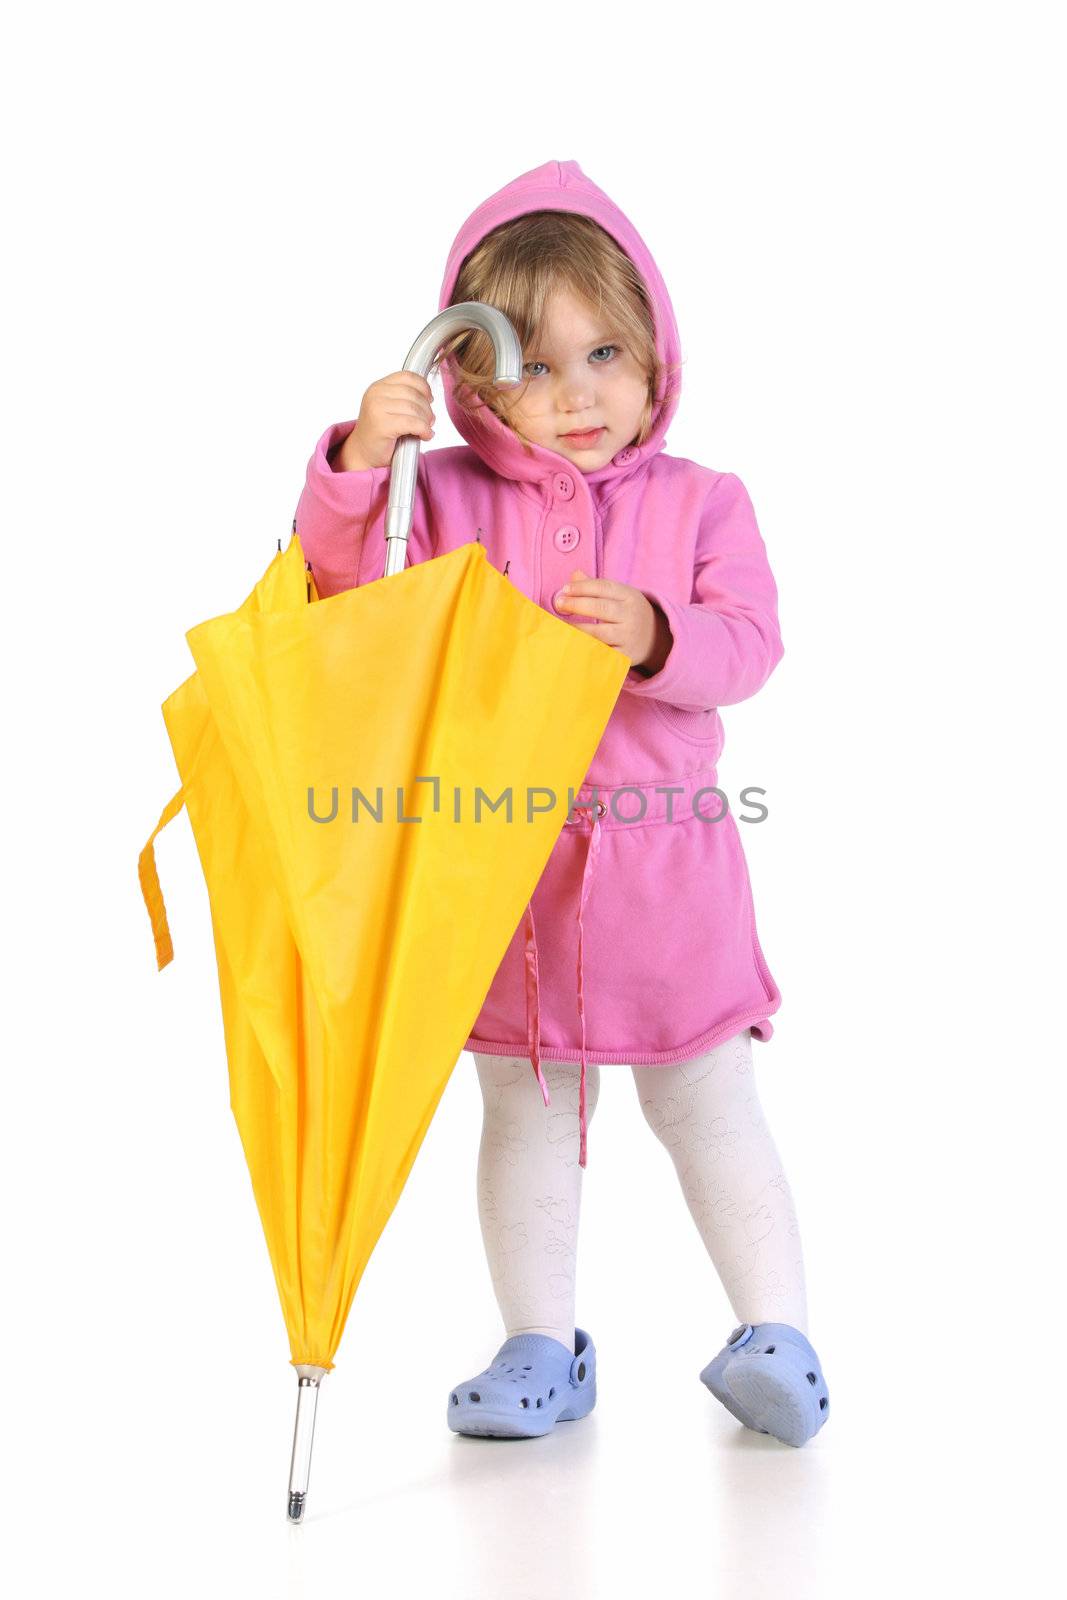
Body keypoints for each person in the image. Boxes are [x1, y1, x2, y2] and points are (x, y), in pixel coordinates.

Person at [294, 160, 830, 1447]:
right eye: (529, 366)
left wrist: (659, 632)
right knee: (526, 1111)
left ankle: (778, 1331)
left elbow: (749, 643)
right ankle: (541, 1339)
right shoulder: (450, 499)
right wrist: (363, 462)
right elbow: (344, 599)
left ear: (654, 354)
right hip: (505, 880)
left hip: (668, 880)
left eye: (601, 352)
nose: (574, 391)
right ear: (472, 382)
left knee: (704, 1102)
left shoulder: (701, 500)